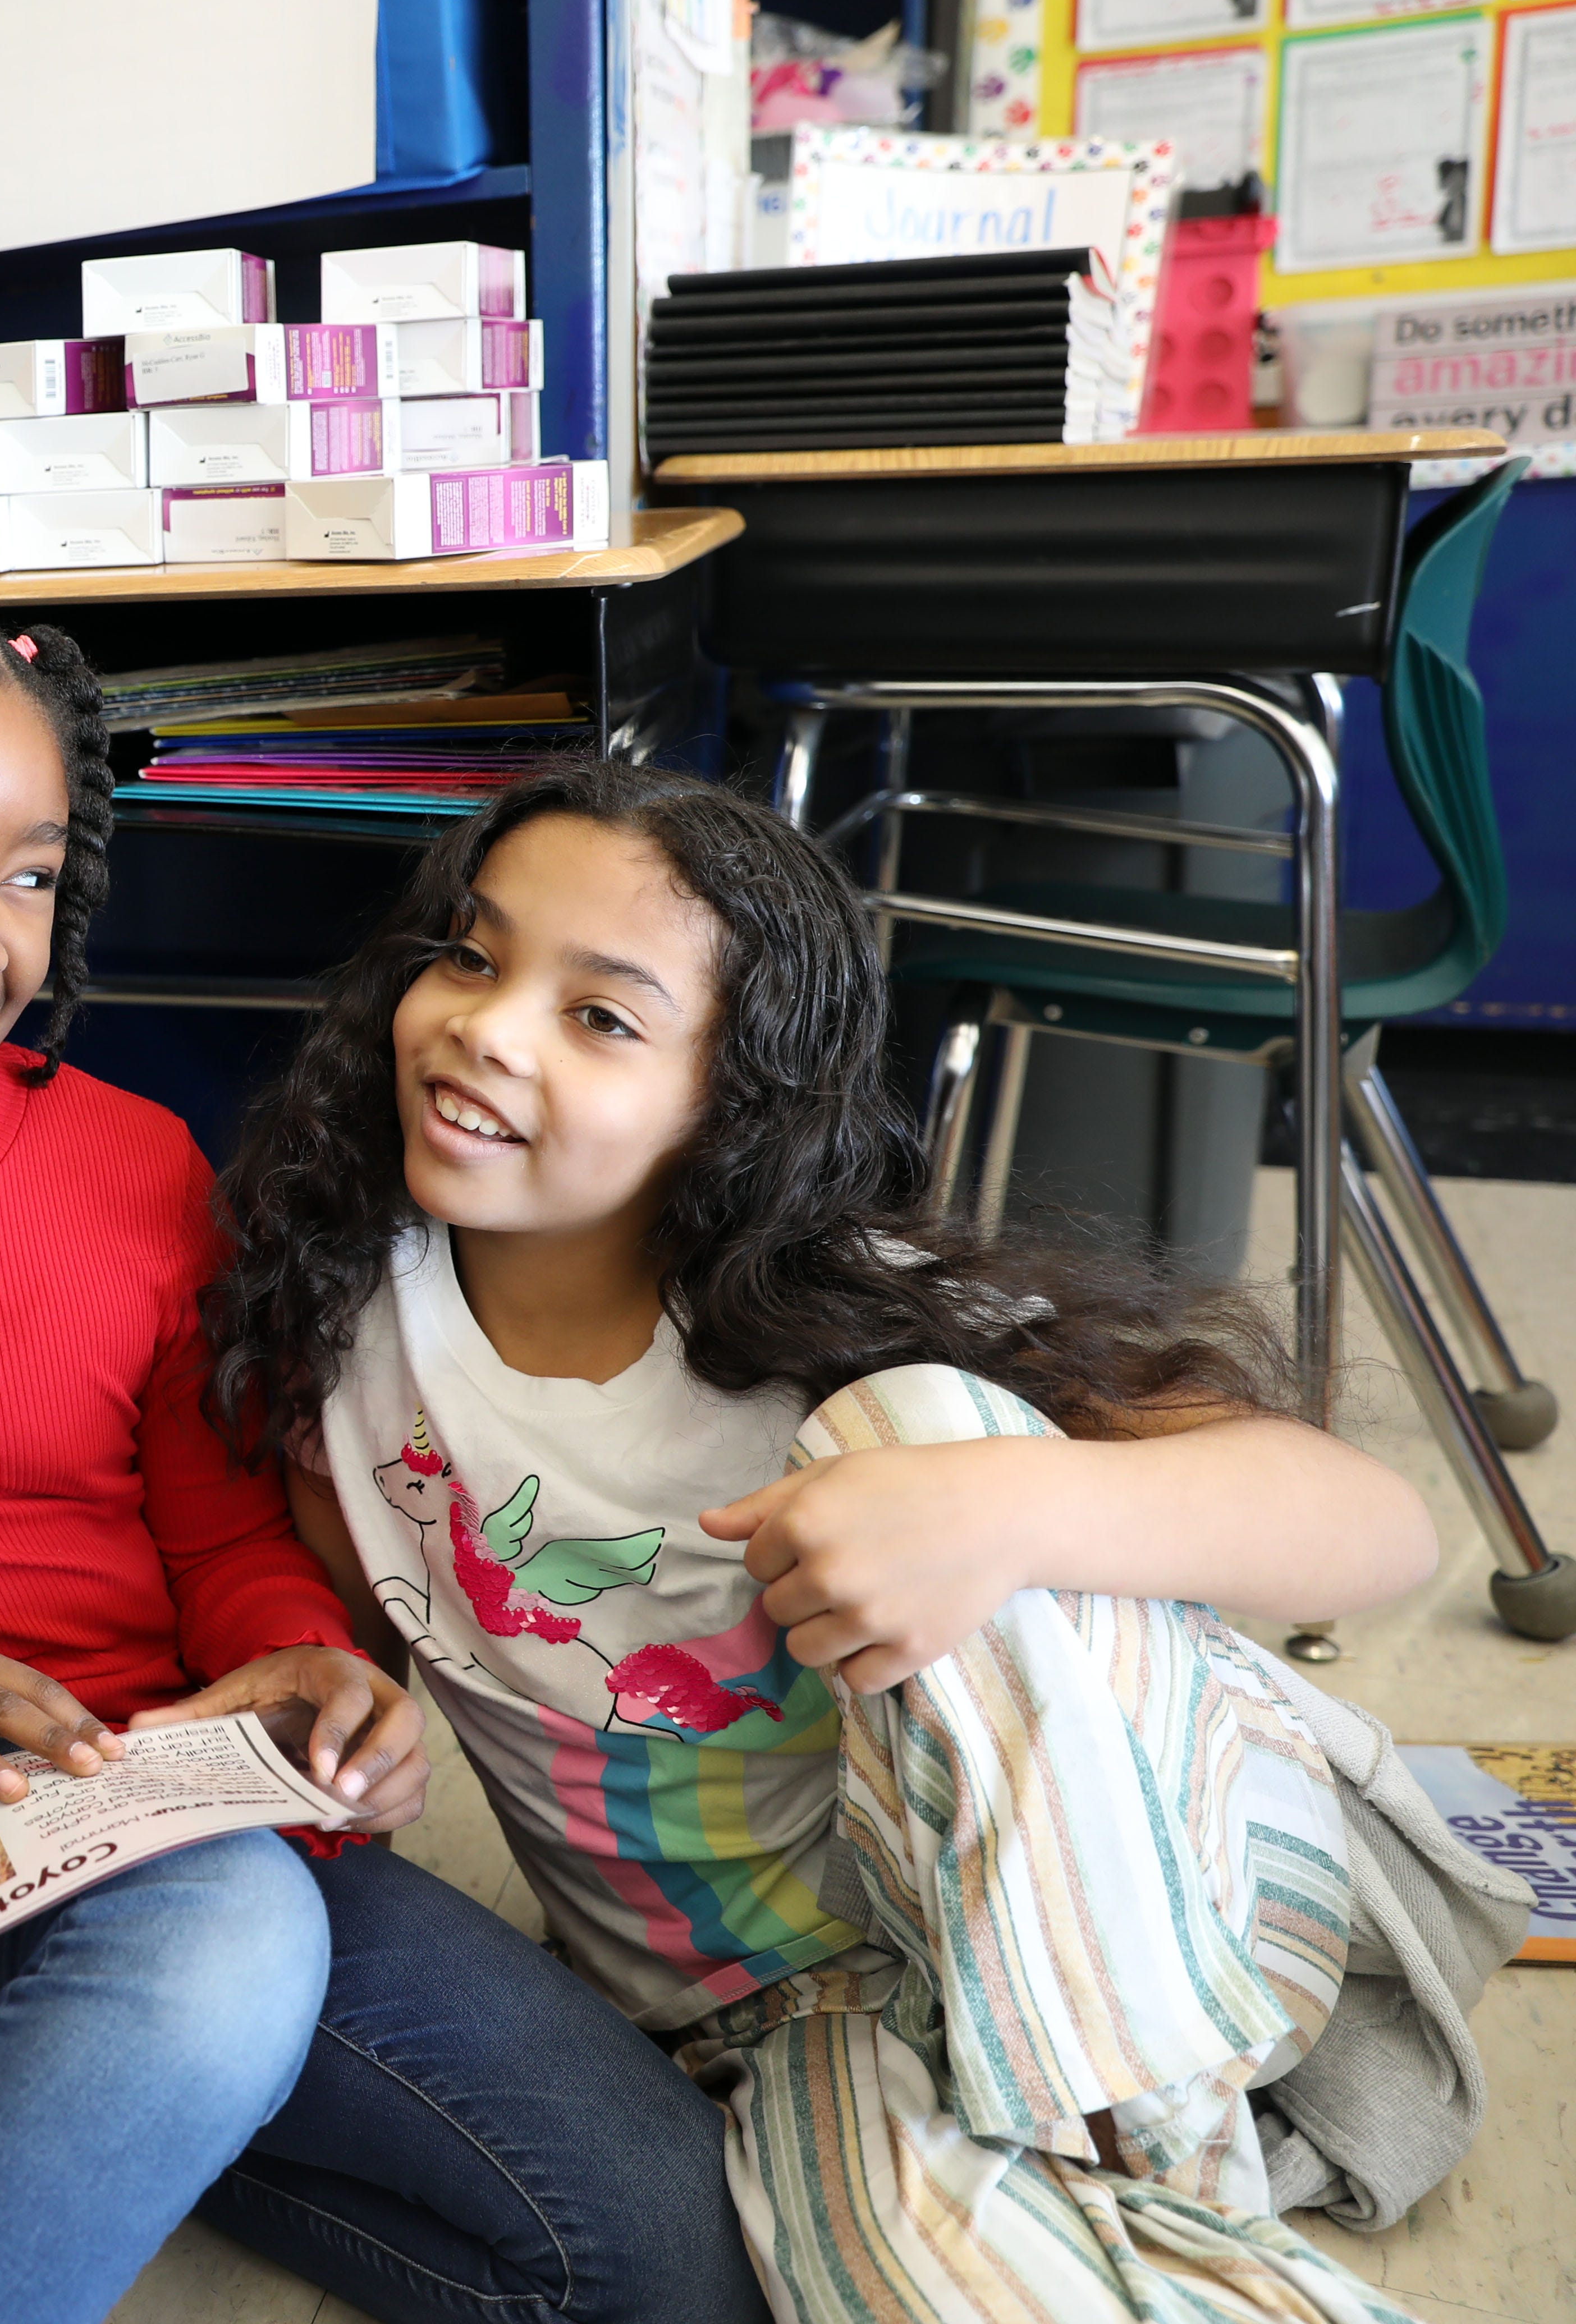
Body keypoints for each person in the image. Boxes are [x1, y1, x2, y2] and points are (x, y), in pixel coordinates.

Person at [0, 562, 772, 2324]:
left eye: (29, 876)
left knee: (671, 2248)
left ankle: (44, 2089)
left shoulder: (127, 1159)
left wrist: (299, 1665)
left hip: (164, 1805)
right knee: (224, 1943)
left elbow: (218, 1540)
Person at [205, 761, 1491, 2322]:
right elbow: (360, 1614)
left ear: (730, 1106)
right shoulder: (344, 1326)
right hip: (802, 2014)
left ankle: (1147, 2161)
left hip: (1172, 1896)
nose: (488, 1023)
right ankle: (1111, 2222)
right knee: (904, 2281)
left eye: (600, 1017)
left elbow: (1381, 1527)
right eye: (473, 956)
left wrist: (1010, 1505)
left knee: (923, 1437)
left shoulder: (828, 1318)